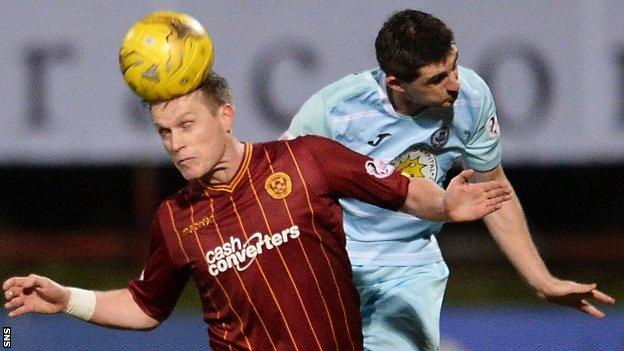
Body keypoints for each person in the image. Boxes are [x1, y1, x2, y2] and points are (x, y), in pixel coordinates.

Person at [3, 71, 513, 351]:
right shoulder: (174, 219)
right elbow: (145, 307)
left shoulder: (307, 159)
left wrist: (445, 204)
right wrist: (66, 297)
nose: (176, 144)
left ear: (225, 116)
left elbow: (402, 191)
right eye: (165, 132)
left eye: (186, 124)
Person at [284, 9, 615, 351]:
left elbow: (493, 192)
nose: (455, 83)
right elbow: (275, 188)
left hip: (408, 267)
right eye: (436, 78)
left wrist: (541, 280)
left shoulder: (472, 96)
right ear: (396, 83)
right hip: (331, 261)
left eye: (454, 65)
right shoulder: (335, 110)